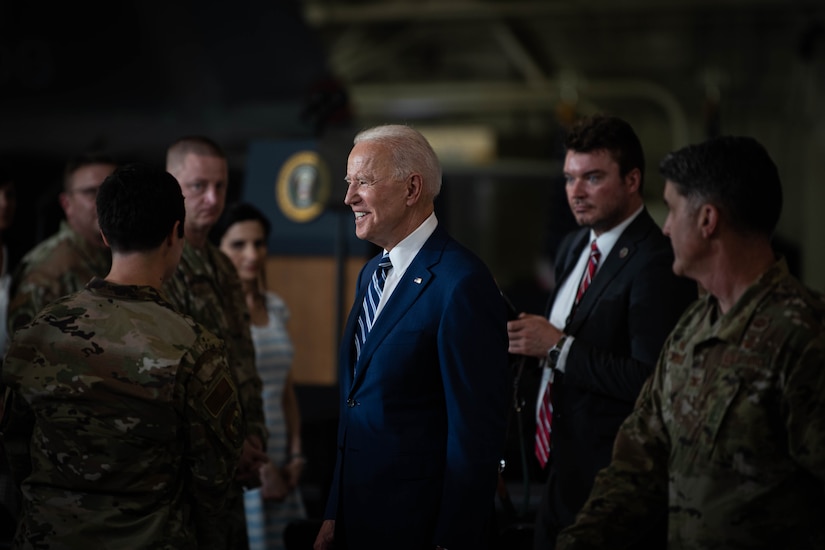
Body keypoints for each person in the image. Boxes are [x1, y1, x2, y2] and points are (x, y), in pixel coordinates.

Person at [556, 135, 825, 550]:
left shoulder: (804, 334)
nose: (664, 226)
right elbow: (638, 463)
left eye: (673, 209)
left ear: (707, 220)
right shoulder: (692, 327)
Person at [0, 162, 244, 548]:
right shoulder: (196, 349)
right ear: (176, 233)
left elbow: (15, 447)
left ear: (104, 232)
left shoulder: (37, 334)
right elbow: (215, 481)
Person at [313, 124, 509, 550]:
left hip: (420, 529)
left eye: (363, 182)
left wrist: (451, 540)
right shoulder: (371, 274)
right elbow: (356, 407)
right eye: (350, 183)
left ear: (411, 188)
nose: (349, 198)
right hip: (358, 522)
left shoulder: (461, 283)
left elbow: (474, 434)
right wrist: (333, 511)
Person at [506, 114, 696, 549]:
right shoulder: (575, 246)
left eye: (593, 177)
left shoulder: (657, 262)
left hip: (614, 480)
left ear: (632, 180)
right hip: (558, 468)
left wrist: (559, 348)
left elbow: (651, 381)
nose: (576, 191)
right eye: (571, 178)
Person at [162, 136, 268, 549]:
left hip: (232, 474)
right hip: (188, 480)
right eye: (197, 186)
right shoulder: (160, 264)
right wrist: (229, 448)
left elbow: (244, 361)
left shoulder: (224, 267)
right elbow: (176, 379)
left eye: (220, 186)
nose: (212, 198)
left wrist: (254, 438)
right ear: (171, 184)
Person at [211, 201, 307, 549]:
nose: (252, 253)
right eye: (238, 244)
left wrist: (296, 454)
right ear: (218, 249)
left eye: (259, 243)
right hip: (245, 460)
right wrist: (261, 466)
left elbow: (286, 389)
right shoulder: (215, 314)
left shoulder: (276, 306)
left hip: (282, 454)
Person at [7, 152, 116, 334]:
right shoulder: (48, 269)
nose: (104, 201)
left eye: (112, 191)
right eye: (91, 192)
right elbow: (25, 351)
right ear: (67, 204)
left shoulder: (121, 255)